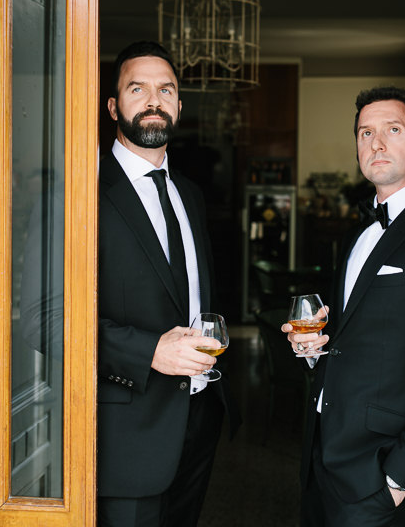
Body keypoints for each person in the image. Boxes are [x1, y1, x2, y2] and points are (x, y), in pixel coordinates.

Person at [283, 86, 405, 526]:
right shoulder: (357, 233)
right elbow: (354, 336)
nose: (376, 142)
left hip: (378, 470)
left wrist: (399, 478)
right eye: (365, 132)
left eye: (393, 129)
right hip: (322, 454)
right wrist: (312, 347)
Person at [97, 41, 237, 527]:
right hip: (127, 432)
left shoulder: (190, 195)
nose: (153, 100)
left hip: (199, 418)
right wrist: (149, 352)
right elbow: (45, 319)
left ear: (178, 105)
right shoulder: (82, 191)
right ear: (114, 106)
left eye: (166, 90)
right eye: (138, 88)